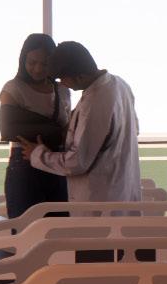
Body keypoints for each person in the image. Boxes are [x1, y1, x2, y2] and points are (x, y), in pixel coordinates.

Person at [15, 41, 142, 203]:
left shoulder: (95, 102)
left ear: (80, 76)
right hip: (121, 189)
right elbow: (134, 129)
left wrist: (38, 154)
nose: (61, 83)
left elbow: (76, 162)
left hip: (100, 199)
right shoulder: (119, 84)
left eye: (62, 78)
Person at [0, 33, 71, 217]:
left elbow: (68, 129)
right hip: (25, 165)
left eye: (44, 64)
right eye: (32, 62)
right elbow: (7, 130)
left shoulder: (62, 90)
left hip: (56, 164)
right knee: (25, 227)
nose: (38, 69)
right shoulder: (13, 88)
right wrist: (55, 134)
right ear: (23, 59)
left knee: (59, 227)